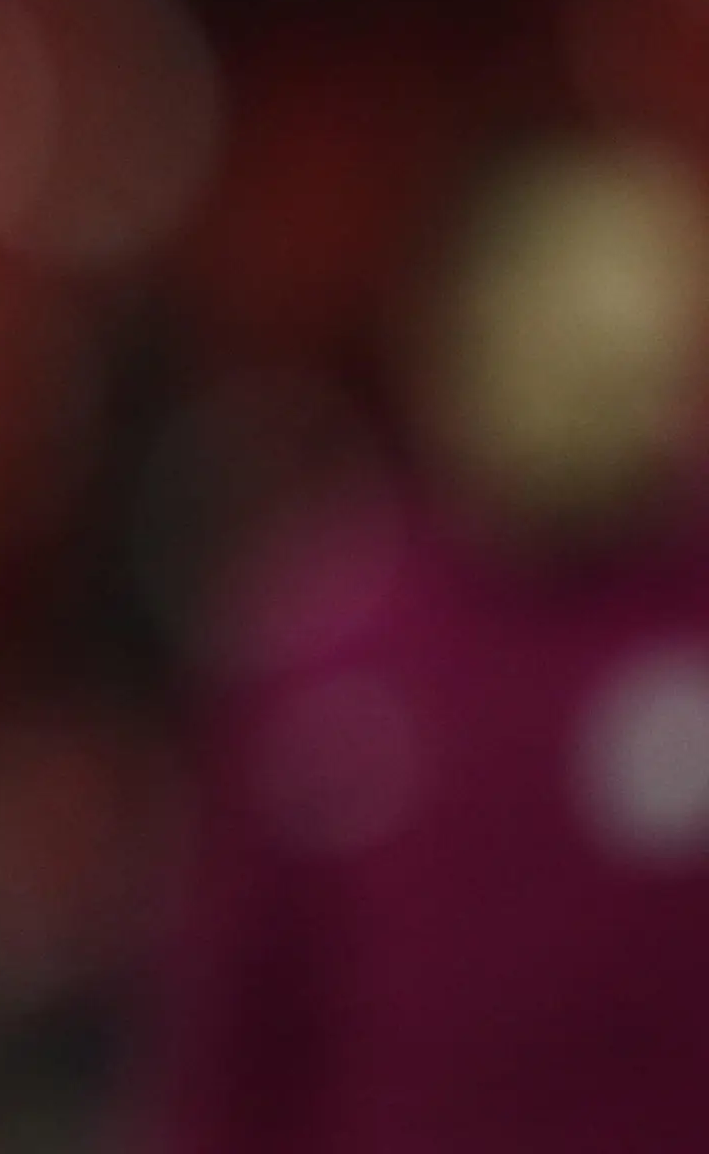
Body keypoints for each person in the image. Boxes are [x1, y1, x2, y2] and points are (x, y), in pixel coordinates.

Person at [142, 135, 709, 1154]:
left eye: (646, 359)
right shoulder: (322, 653)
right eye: (580, 345)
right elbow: (230, 1057)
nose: (615, 390)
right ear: (464, 330)